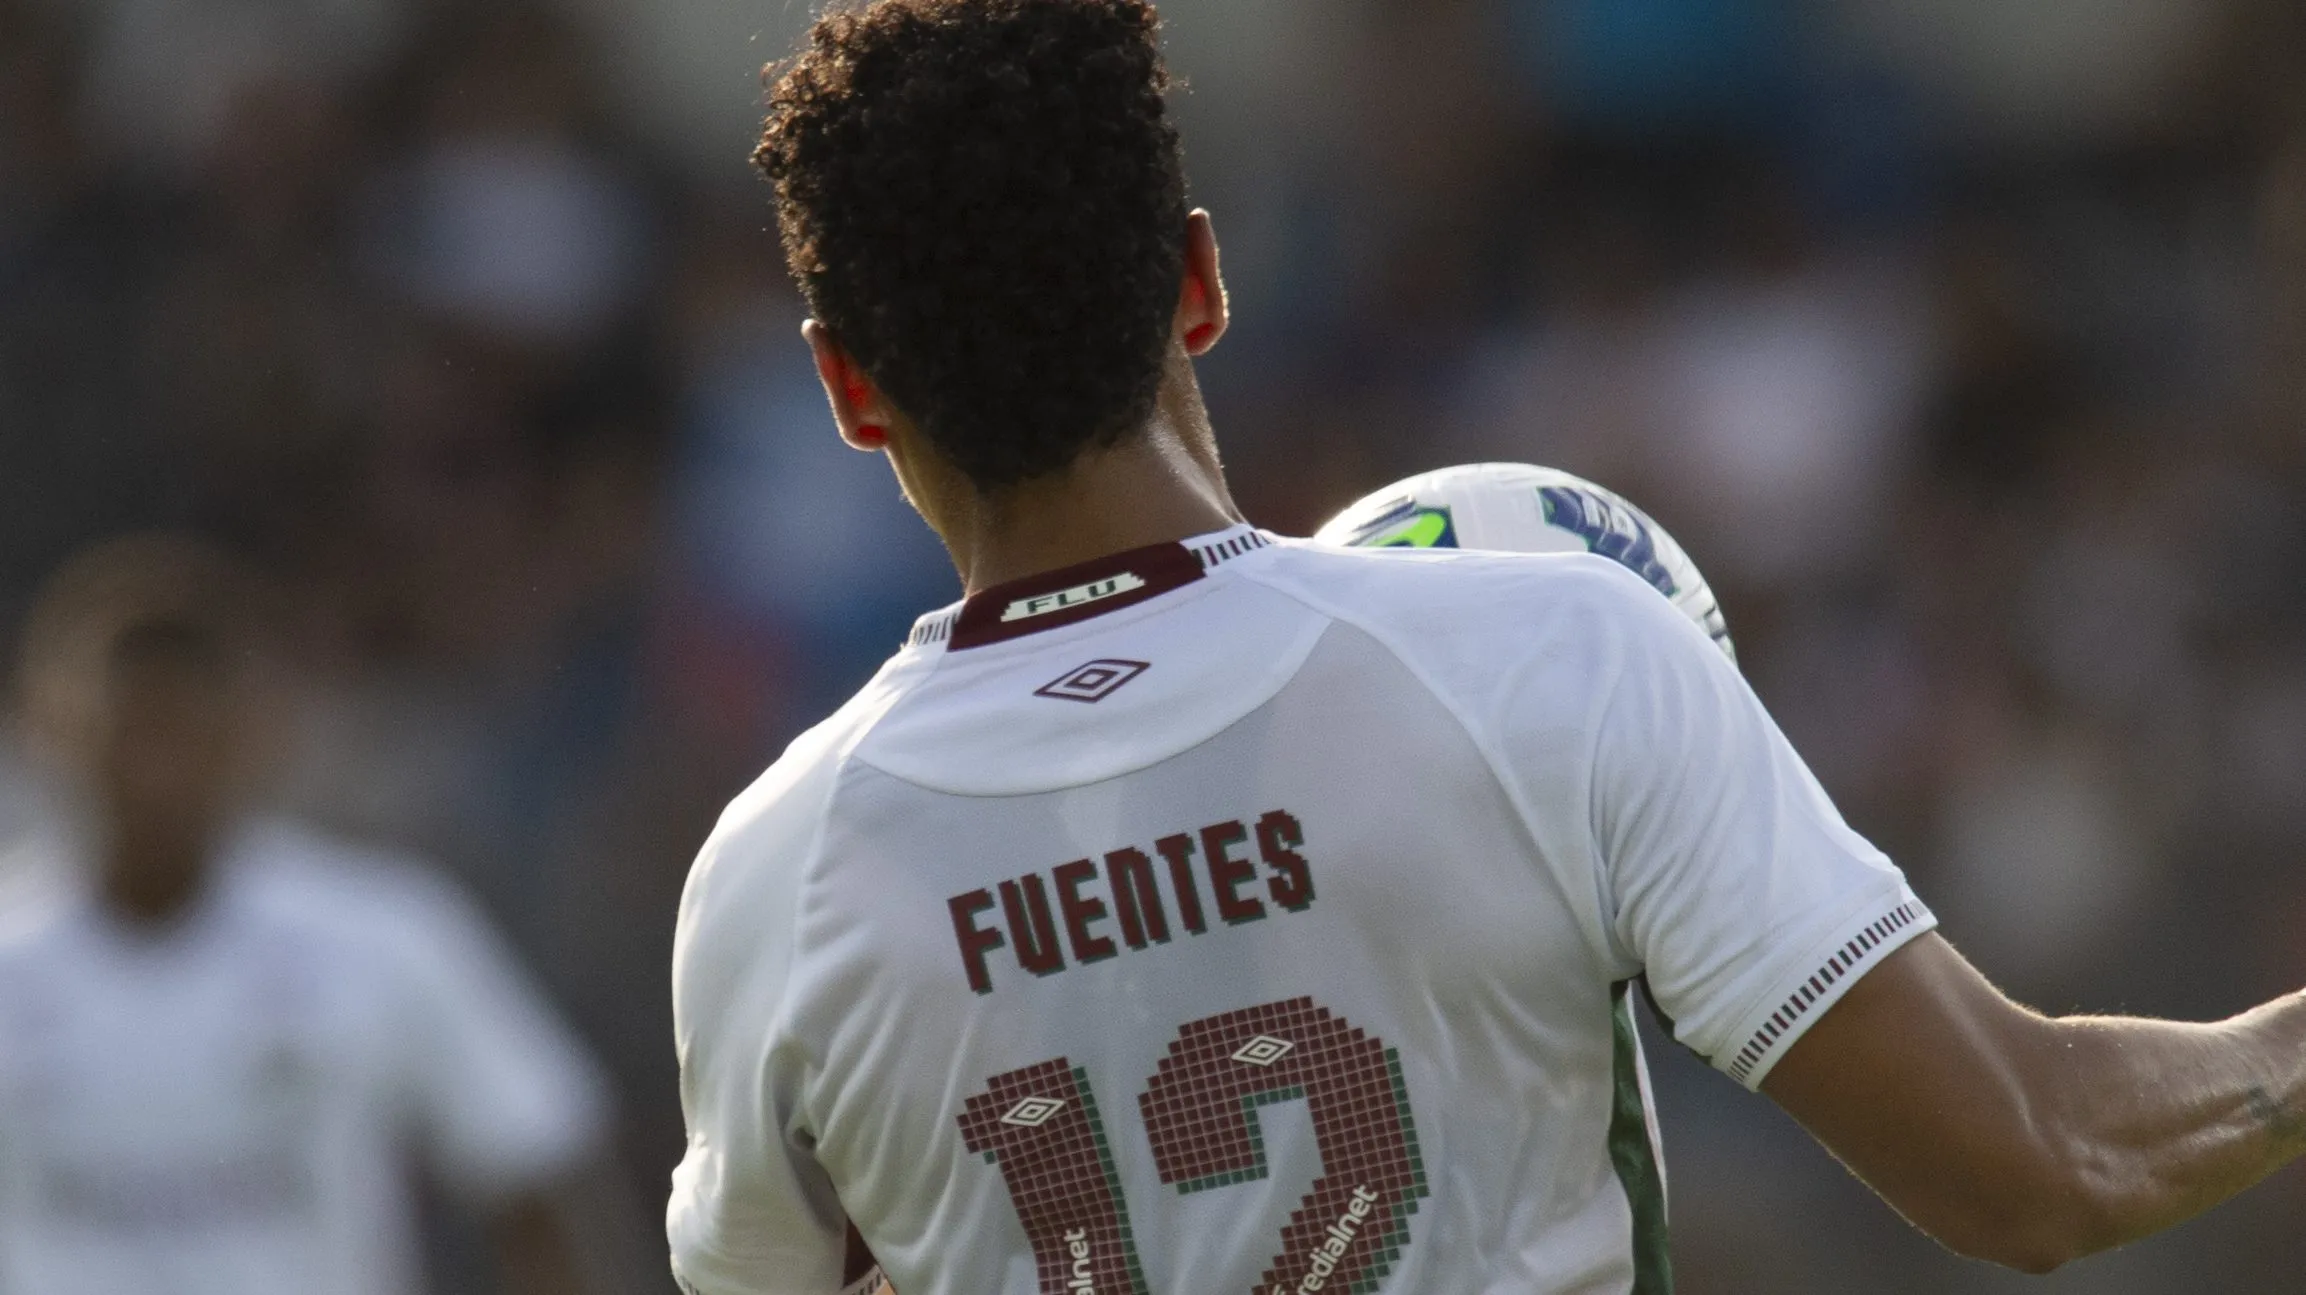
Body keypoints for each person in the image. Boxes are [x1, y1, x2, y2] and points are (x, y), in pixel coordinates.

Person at [665, 2, 2306, 1292]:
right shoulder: (1543, 653)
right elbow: (2037, 1160)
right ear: (1201, 277)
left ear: (847, 387)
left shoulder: (775, 873)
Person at [0, 535, 627, 1295]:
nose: (153, 773)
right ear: (48, 730)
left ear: (245, 733)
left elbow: (534, 1174)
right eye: (128, 732)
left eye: (180, 732)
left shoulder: (384, 934)